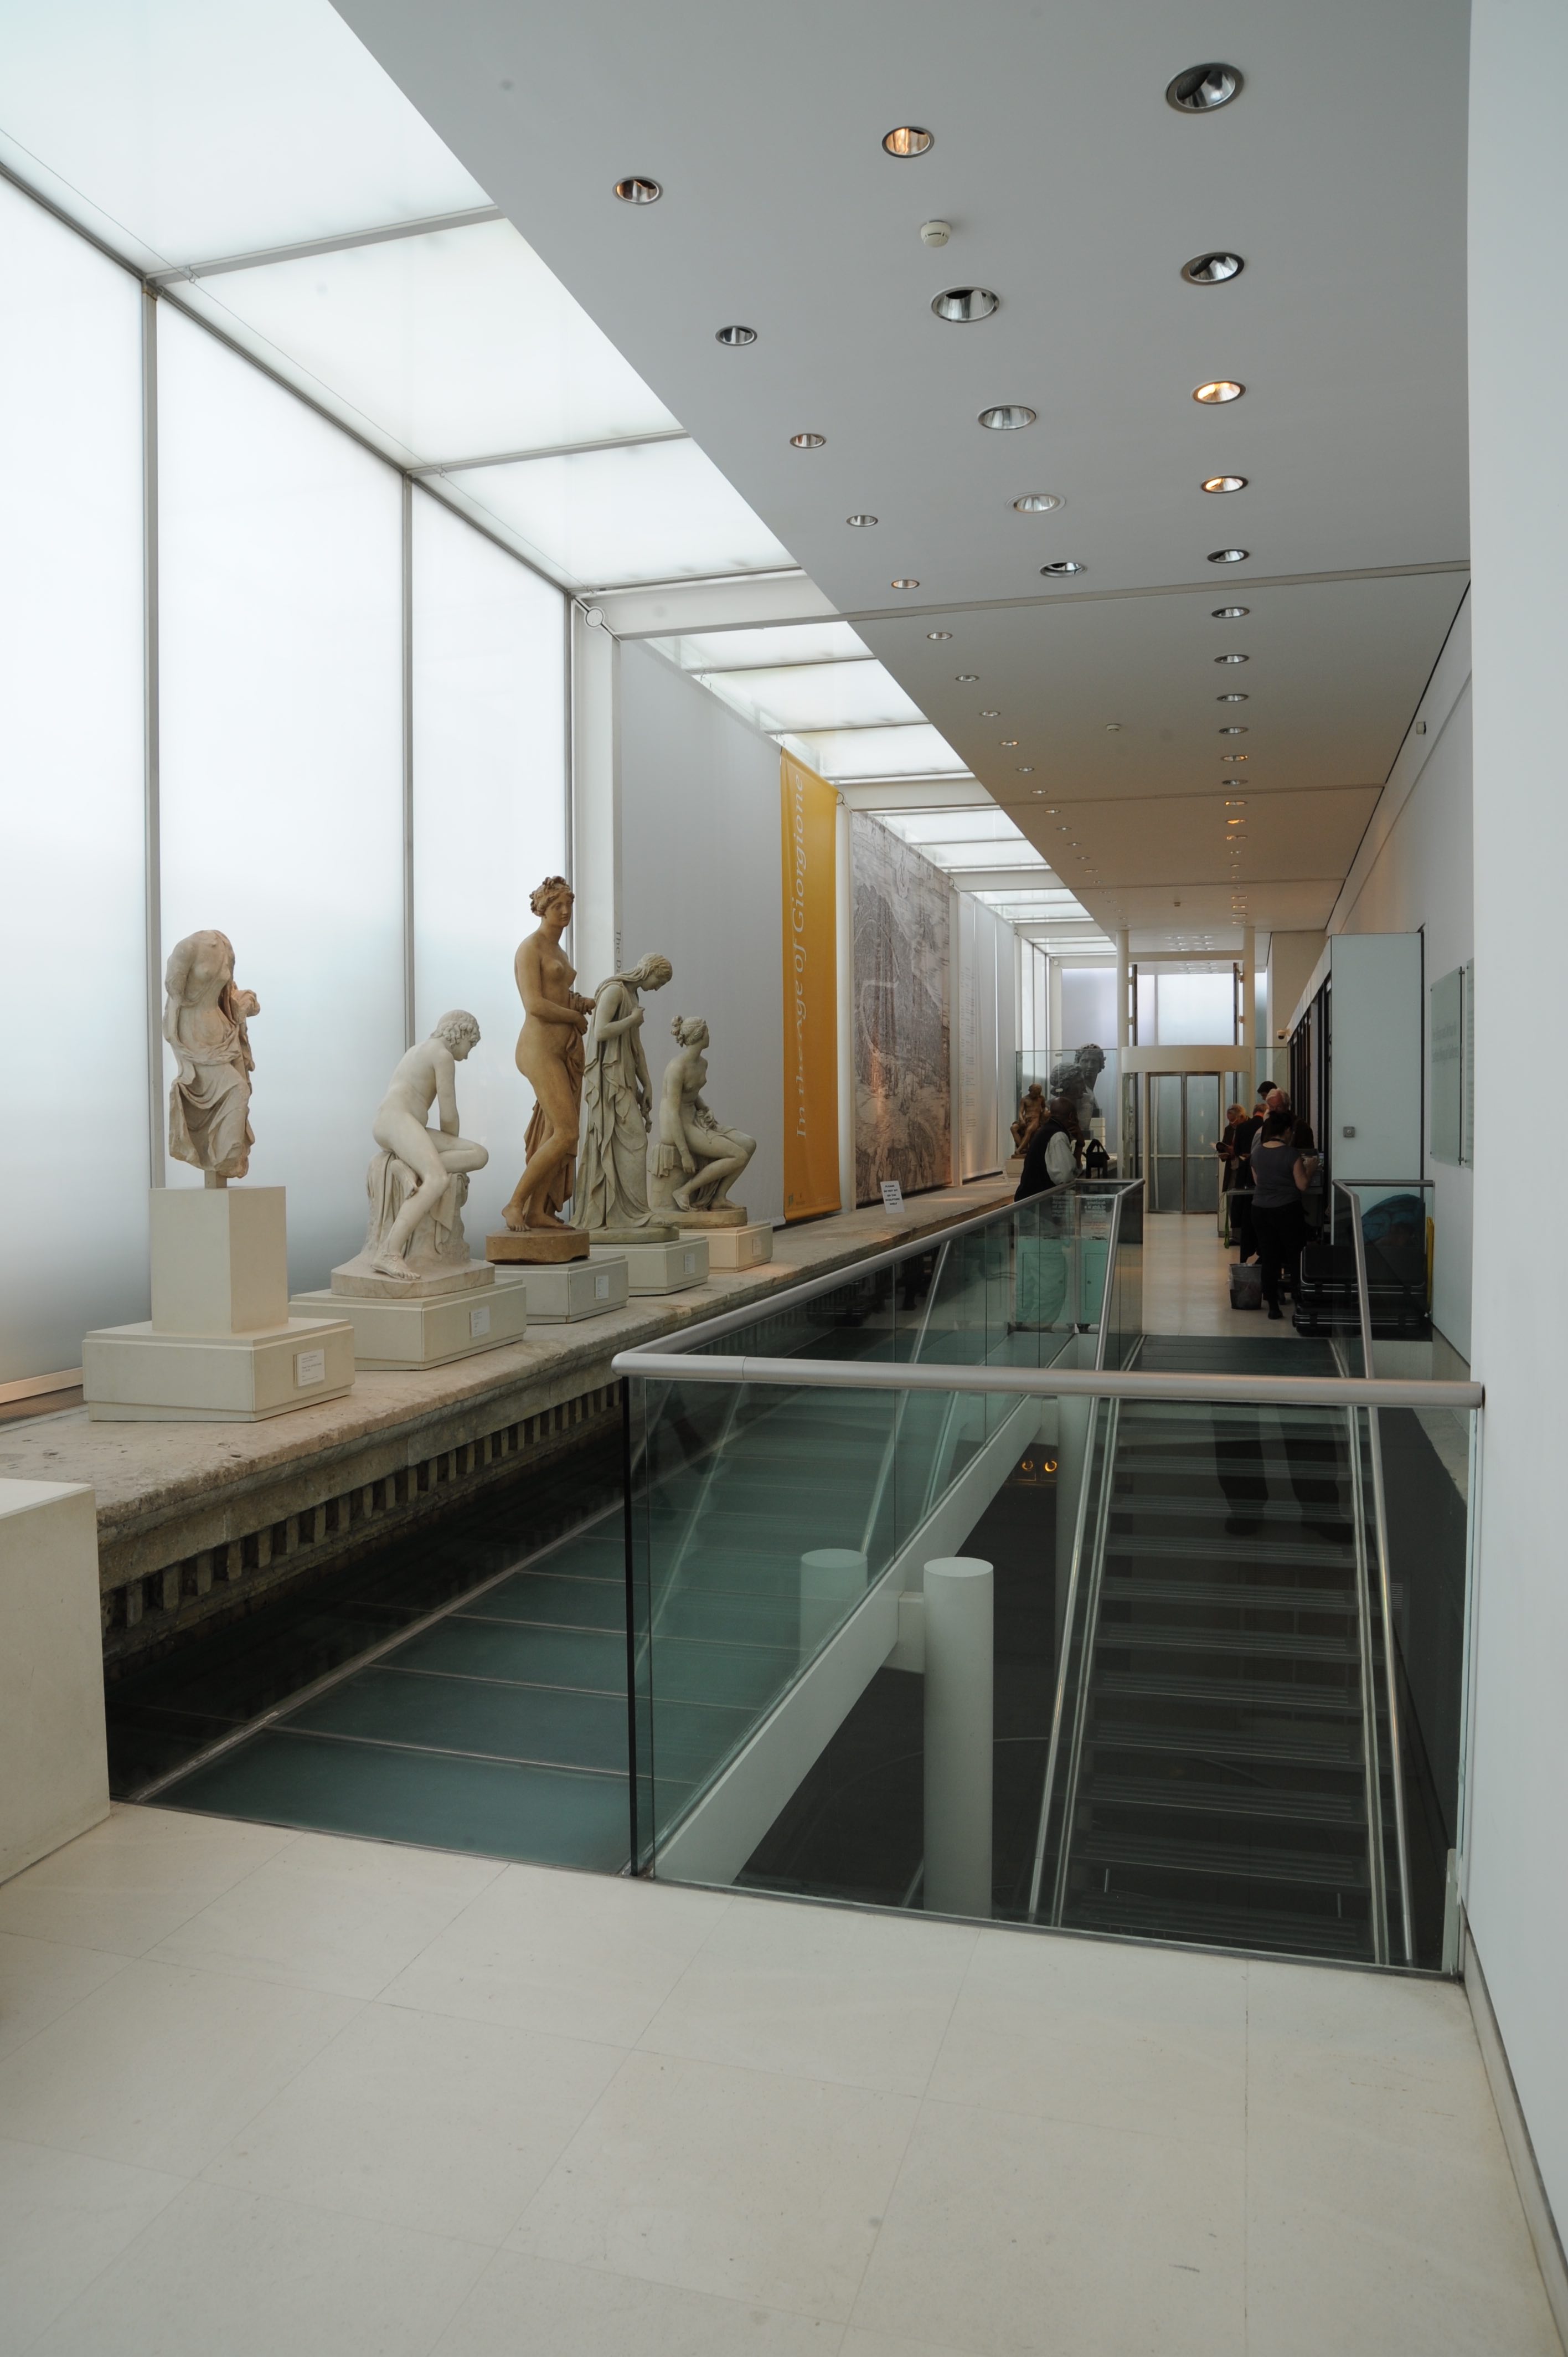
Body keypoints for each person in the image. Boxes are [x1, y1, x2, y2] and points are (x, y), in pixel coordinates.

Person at [1250, 1109, 1313, 1319]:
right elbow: (1302, 1185)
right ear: (1287, 1130)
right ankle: (1299, 1298)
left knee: (1269, 1257)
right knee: (1295, 1256)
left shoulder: (1257, 1153)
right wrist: (1311, 1168)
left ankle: (1273, 1307)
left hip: (1260, 1210)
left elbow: (1258, 1182)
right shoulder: (1291, 1154)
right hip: (1287, 1210)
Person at [1014, 1094, 1081, 1198]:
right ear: (1071, 1117)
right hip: (1038, 1201)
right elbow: (1065, 1177)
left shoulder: (1047, 1130)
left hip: (1031, 1198)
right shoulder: (1058, 1136)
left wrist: (1080, 1145)